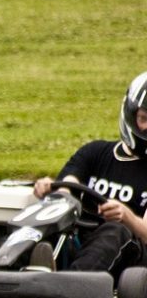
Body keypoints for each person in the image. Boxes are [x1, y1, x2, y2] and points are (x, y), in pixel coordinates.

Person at [29, 71, 147, 275]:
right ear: (129, 114)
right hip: (79, 239)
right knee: (46, 218)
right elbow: (67, 185)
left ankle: (68, 288)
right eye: (143, 118)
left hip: (131, 257)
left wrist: (126, 216)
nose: (146, 127)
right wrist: (50, 188)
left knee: (115, 231)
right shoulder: (96, 152)